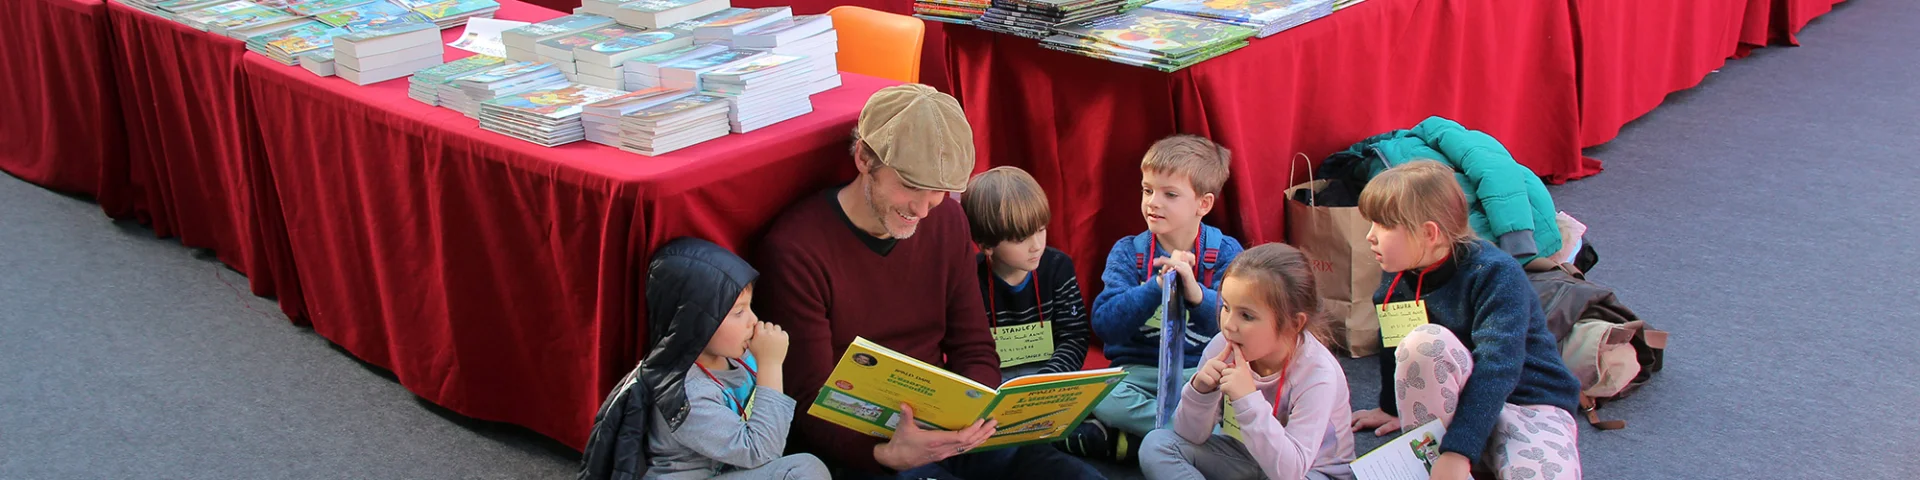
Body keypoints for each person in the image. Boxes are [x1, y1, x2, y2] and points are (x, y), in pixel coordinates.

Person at [752, 84, 1104, 480]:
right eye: (910, 186)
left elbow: (973, 344)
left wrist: (974, 418)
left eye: (938, 191)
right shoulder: (796, 249)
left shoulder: (947, 221)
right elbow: (808, 397)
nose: (921, 209)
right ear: (864, 158)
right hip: (865, 446)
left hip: (953, 427)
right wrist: (884, 454)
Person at [1346, 161, 1584, 480]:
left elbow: (1497, 368)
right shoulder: (1399, 273)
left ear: (1429, 233)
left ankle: (1464, 458)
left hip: (1528, 403)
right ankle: (1446, 457)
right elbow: (1394, 344)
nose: (1370, 236)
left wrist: (1458, 452)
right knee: (1423, 343)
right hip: (1457, 408)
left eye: (1382, 225)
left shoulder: (1496, 274)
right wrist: (1389, 406)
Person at [577, 237, 827, 480]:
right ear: (695, 322)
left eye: (750, 307)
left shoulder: (738, 356)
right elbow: (761, 452)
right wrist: (771, 365)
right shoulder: (686, 392)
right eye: (739, 312)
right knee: (803, 471)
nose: (753, 320)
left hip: (729, 468)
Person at [1072, 134, 1246, 461]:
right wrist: (1155, 286)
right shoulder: (1128, 251)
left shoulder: (1225, 252)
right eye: (1147, 190)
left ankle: (1135, 440)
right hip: (1138, 372)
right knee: (1100, 395)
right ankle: (1190, 437)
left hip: (1200, 372)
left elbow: (1234, 328)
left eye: (1170, 194)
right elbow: (1105, 325)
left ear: (1203, 204)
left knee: (1238, 393)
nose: (1153, 202)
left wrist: (1195, 292)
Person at [1140, 243, 1356, 480]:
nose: (1229, 325)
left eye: (1246, 315)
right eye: (1226, 307)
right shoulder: (1222, 346)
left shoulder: (1317, 373)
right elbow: (1189, 436)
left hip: (1309, 472)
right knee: (1157, 444)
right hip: (1246, 458)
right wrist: (1200, 392)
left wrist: (1247, 400)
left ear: (1294, 324)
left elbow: (1290, 471)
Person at [960, 166, 1092, 381]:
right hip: (995, 380)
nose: (1036, 245)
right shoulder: (969, 279)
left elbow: (1074, 337)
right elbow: (968, 349)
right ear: (986, 245)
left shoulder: (1058, 266)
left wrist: (1046, 381)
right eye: (1021, 239)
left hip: (1050, 376)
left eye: (1041, 229)